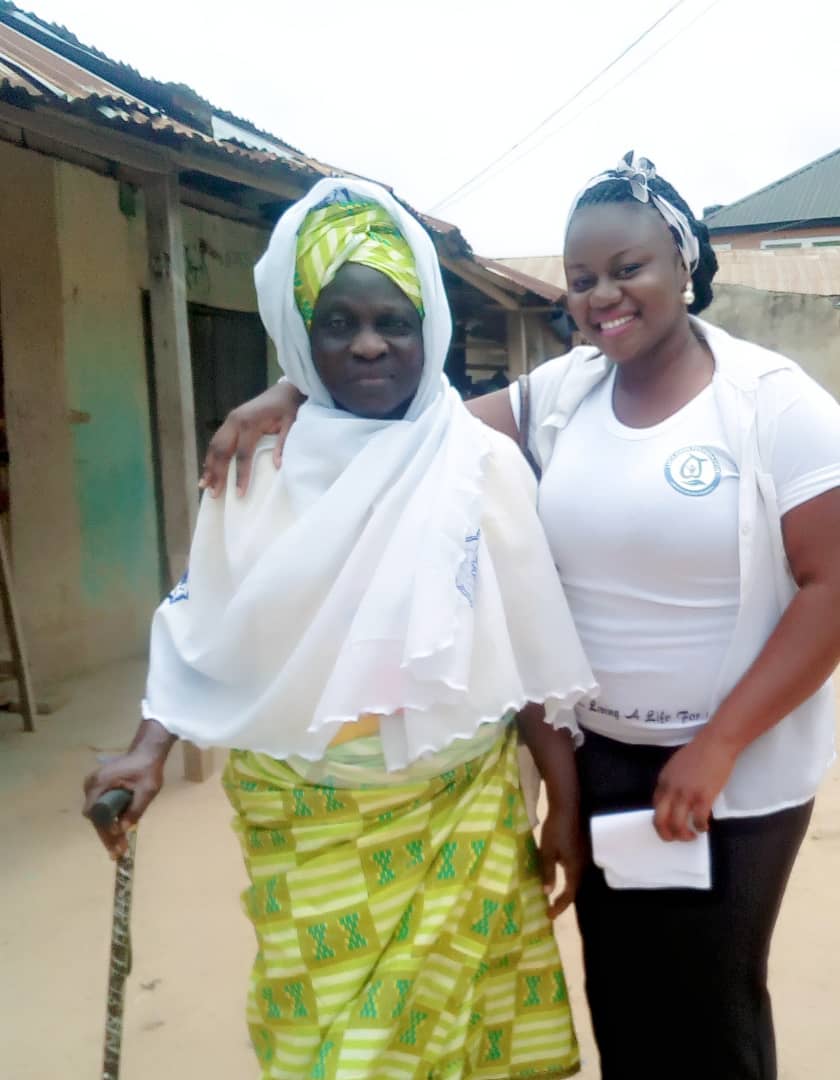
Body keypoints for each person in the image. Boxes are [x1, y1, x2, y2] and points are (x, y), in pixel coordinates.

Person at [204, 154, 840, 1080]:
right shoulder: (564, 392)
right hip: (606, 759)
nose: (602, 295)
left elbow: (830, 591)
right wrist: (293, 387)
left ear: (684, 262)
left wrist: (719, 746)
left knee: (710, 1000)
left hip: (731, 771)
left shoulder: (773, 405)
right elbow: (415, 423)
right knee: (622, 990)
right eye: (581, 279)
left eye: (628, 268)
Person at [84, 177, 598, 1080]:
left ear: (428, 330)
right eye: (337, 324)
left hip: (461, 814)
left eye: (393, 322)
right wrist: (148, 749)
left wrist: (565, 803)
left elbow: (529, 653)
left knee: (468, 1048)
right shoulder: (258, 464)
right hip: (307, 821)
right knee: (334, 1057)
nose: (367, 344)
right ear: (299, 337)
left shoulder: (478, 464)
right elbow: (211, 624)